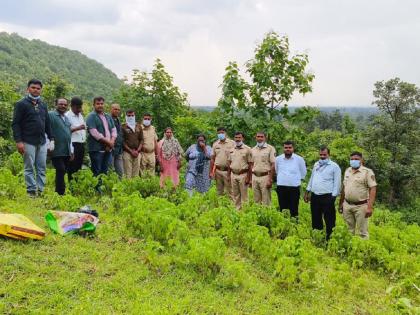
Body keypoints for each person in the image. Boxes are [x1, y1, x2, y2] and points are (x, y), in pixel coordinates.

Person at [12, 79, 53, 197]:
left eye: (38, 88)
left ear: (41, 90)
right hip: (27, 141)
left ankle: (40, 191)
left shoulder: (43, 105)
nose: (35, 90)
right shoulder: (21, 104)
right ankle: (31, 192)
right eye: (33, 87)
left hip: (42, 141)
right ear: (28, 89)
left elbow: (47, 123)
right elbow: (16, 124)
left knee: (41, 167)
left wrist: (52, 138)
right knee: (29, 167)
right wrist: (18, 141)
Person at [304, 146, 341, 239]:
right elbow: (312, 178)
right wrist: (307, 191)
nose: (322, 156)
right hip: (315, 196)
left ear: (329, 154)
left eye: (324, 154)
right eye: (320, 154)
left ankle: (330, 239)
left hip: (328, 197)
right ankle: (317, 237)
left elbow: (337, 183)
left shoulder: (334, 167)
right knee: (315, 218)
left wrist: (333, 197)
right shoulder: (316, 164)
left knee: (329, 220)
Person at [338, 152, 377, 239]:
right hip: (347, 205)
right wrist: (341, 204)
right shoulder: (347, 170)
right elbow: (344, 188)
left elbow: (373, 189)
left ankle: (363, 251)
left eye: (356, 159)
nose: (353, 161)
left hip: (361, 206)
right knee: (348, 230)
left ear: (361, 160)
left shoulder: (367, 172)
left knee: (363, 232)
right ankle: (350, 249)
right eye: (352, 159)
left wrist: (370, 207)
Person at [85, 96, 116, 178]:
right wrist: (109, 143)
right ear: (93, 105)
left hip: (108, 149)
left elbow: (113, 130)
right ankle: (96, 189)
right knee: (96, 171)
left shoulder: (108, 116)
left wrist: (112, 141)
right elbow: (94, 133)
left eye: (102, 103)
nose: (100, 105)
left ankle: (102, 189)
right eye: (98, 104)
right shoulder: (91, 116)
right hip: (96, 149)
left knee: (105, 170)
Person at [275, 140, 307, 218]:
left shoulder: (299, 159)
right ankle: (284, 227)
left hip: (294, 189)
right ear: (283, 148)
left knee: (294, 209)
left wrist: (294, 180)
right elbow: (277, 170)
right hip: (281, 188)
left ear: (293, 148)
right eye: (286, 147)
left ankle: (294, 226)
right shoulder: (278, 159)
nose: (288, 149)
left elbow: (303, 173)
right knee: (282, 209)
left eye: (290, 147)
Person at [48, 98, 73, 195]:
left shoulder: (66, 118)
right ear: (56, 104)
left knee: (63, 171)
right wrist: (48, 144)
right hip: (56, 149)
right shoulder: (51, 115)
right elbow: (46, 129)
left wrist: (71, 150)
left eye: (65, 105)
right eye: (61, 104)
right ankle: (60, 192)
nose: (63, 106)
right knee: (61, 169)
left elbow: (68, 134)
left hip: (66, 150)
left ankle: (60, 191)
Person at [227, 132, 252, 209]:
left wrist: (249, 178)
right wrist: (228, 175)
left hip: (243, 175)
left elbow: (250, 165)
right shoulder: (231, 149)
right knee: (235, 195)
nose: (237, 139)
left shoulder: (248, 149)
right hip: (233, 174)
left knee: (244, 196)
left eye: (239, 137)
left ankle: (245, 212)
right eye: (236, 137)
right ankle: (237, 212)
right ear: (234, 138)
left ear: (242, 138)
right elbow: (229, 163)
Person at [250, 131, 276, 206]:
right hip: (255, 177)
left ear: (265, 138)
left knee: (266, 201)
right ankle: (258, 216)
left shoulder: (270, 149)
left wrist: (270, 179)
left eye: (262, 137)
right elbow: (251, 164)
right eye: (258, 136)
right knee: (256, 200)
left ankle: (266, 216)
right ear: (256, 138)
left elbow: (273, 164)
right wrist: (251, 178)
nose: (260, 138)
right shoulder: (253, 149)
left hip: (265, 177)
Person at [210, 127, 235, 197]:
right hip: (218, 171)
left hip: (228, 171)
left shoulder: (232, 143)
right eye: (219, 133)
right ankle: (220, 207)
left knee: (230, 191)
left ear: (226, 133)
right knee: (219, 191)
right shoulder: (215, 144)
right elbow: (212, 158)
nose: (220, 134)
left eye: (222, 133)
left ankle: (231, 207)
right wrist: (212, 172)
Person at [65, 96, 86, 181]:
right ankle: (71, 185)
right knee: (72, 167)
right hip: (73, 144)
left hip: (81, 144)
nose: (80, 109)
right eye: (78, 107)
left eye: (80, 107)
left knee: (78, 166)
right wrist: (78, 128)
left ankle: (77, 185)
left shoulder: (80, 115)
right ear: (72, 106)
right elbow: (65, 131)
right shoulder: (67, 116)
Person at [121, 109, 143, 178]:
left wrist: (138, 150)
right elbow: (122, 141)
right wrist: (131, 151)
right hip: (127, 153)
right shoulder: (123, 126)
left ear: (134, 116)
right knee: (127, 173)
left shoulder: (139, 126)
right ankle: (128, 188)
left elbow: (141, 140)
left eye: (132, 115)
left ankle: (135, 188)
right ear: (126, 116)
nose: (131, 117)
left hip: (137, 153)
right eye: (129, 115)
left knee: (136, 174)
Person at [110, 103, 124, 178]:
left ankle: (119, 188)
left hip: (119, 150)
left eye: (118, 110)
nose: (117, 111)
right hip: (111, 149)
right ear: (111, 109)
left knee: (120, 172)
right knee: (110, 170)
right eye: (115, 109)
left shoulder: (118, 120)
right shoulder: (108, 119)